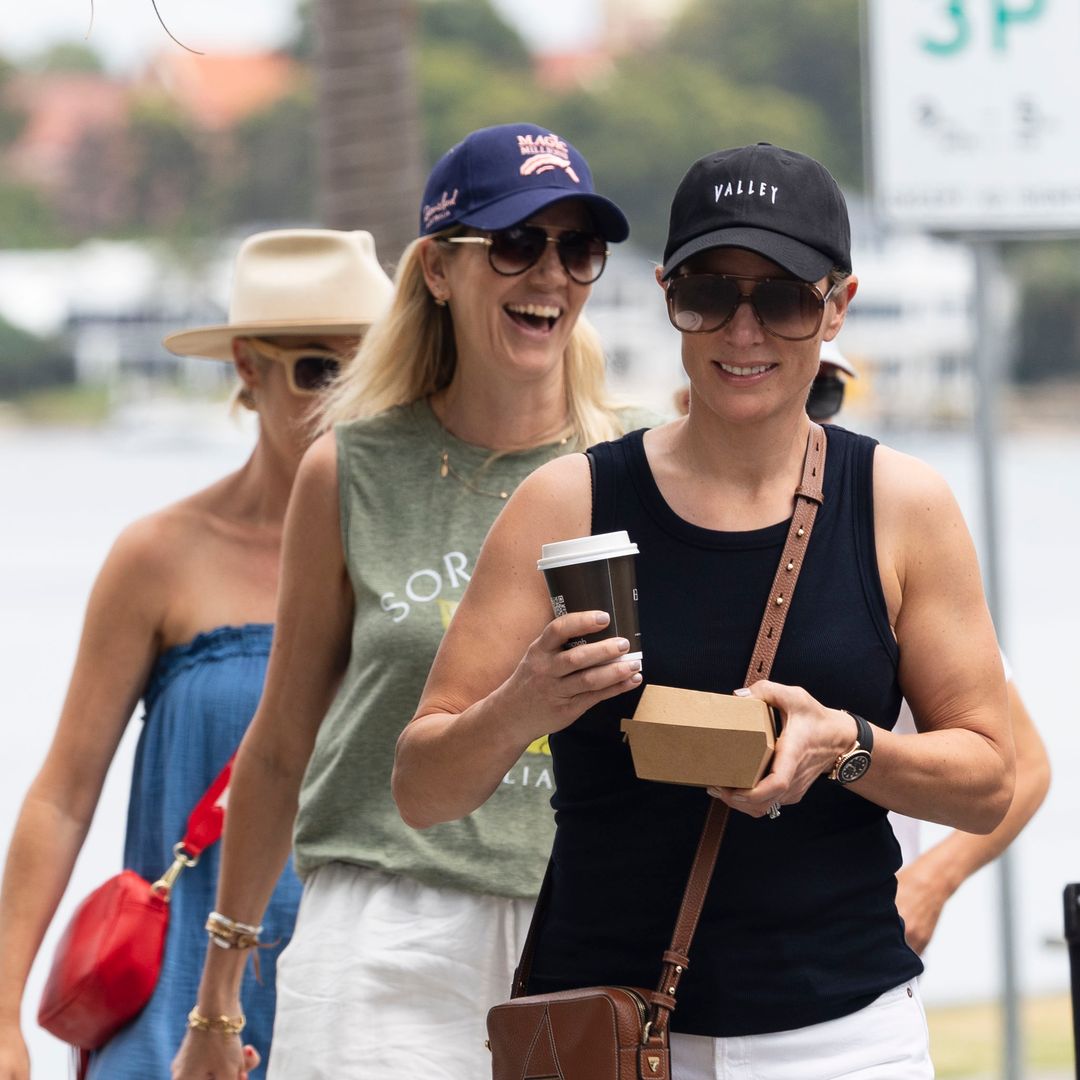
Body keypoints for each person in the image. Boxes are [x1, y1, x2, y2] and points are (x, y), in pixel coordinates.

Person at [394, 143, 1016, 1079]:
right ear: (665, 293)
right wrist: (523, 702)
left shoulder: (900, 505)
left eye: (783, 298)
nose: (743, 329)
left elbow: (990, 779)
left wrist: (846, 746)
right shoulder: (568, 503)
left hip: (844, 1040)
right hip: (608, 1029)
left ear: (837, 305)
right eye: (709, 292)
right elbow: (420, 789)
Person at [171, 122, 654, 1080]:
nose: (549, 274)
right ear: (438, 268)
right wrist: (218, 999)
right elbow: (278, 746)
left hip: (595, 922)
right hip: (387, 925)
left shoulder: (645, 466)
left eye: (577, 248)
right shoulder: (348, 468)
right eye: (515, 243)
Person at [0, 228, 393, 1080]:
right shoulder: (161, 556)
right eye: (319, 370)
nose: (347, 402)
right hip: (173, 1004)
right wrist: (3, 1018)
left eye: (371, 370)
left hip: (356, 1003)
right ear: (249, 368)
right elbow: (64, 794)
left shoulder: (410, 564)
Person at [808, 341, 1050, 953]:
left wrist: (930, 881)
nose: (804, 410)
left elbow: (1023, 767)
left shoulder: (885, 549)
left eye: (823, 393)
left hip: (859, 950)